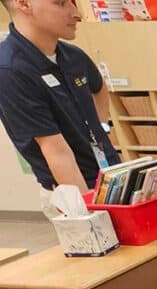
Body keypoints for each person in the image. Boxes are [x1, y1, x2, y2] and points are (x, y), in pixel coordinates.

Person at [0, 0, 118, 192]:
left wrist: (101, 129)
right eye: (61, 3)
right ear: (24, 4)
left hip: (108, 173)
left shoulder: (73, 55)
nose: (76, 14)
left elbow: (99, 88)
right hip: (72, 187)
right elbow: (56, 152)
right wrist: (86, 213)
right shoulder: (10, 70)